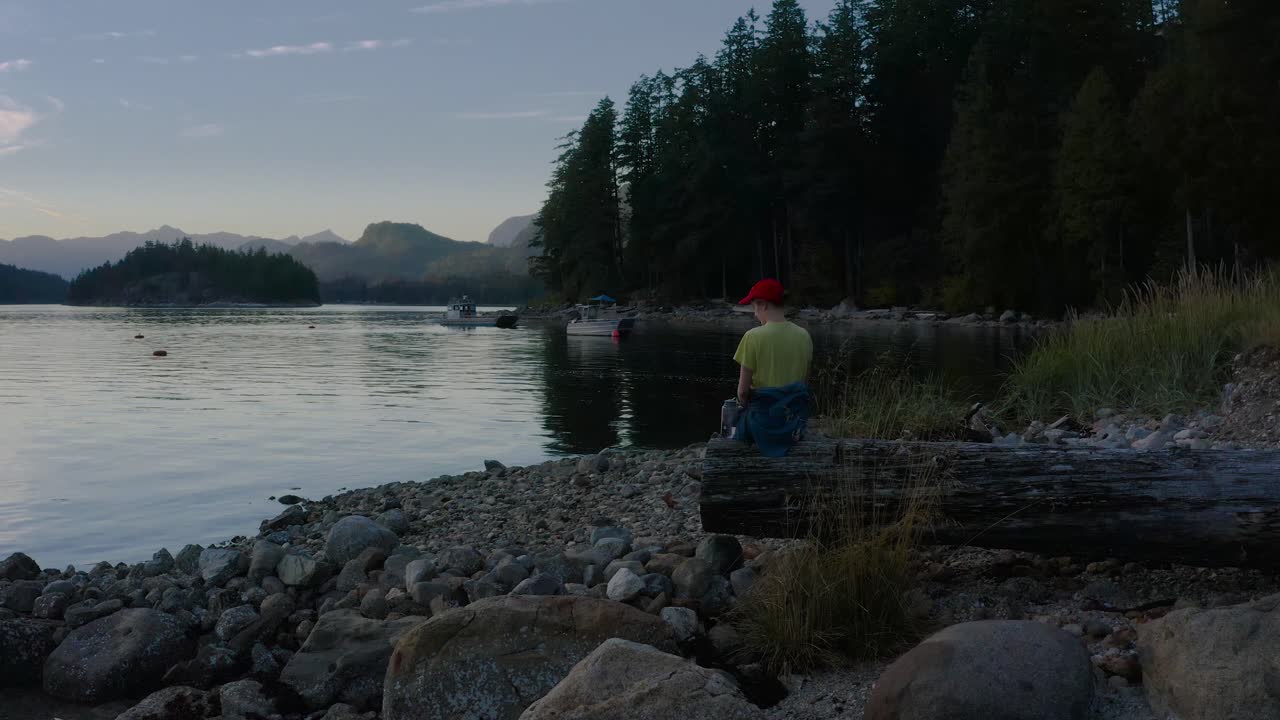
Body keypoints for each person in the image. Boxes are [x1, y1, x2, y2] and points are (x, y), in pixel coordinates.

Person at [730, 278, 813, 456]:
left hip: (763, 422)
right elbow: (804, 384)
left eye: (754, 308)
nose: (755, 314)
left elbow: (743, 392)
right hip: (793, 423)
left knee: (735, 422)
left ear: (763, 305)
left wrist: (743, 407)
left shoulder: (752, 337)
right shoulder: (804, 336)